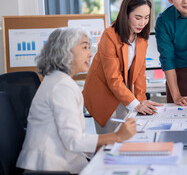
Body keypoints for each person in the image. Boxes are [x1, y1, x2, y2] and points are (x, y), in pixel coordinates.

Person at [16, 28, 136, 174]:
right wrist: (117, 136)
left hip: (55, 163)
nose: (90, 53)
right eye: (84, 47)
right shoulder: (62, 86)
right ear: (65, 51)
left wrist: (104, 145)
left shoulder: (56, 80)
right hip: (51, 168)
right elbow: (74, 141)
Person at [83, 0, 162, 134]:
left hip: (122, 90)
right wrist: (136, 105)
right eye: (138, 17)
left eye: (146, 17)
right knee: (110, 140)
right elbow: (113, 78)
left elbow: (139, 74)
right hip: (103, 92)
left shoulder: (141, 38)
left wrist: (141, 101)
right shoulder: (110, 35)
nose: (142, 23)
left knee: (131, 134)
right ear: (126, 15)